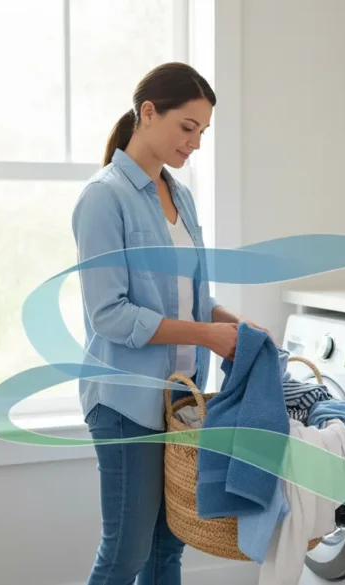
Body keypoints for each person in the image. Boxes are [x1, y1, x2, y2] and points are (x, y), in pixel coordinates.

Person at [71, 61, 272, 585]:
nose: (196, 144)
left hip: (179, 401)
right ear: (148, 113)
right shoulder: (103, 197)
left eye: (203, 132)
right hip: (124, 402)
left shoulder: (179, 195)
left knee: (167, 552)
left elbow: (190, 297)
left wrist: (236, 325)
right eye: (188, 128)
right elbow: (109, 314)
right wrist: (207, 335)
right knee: (125, 554)